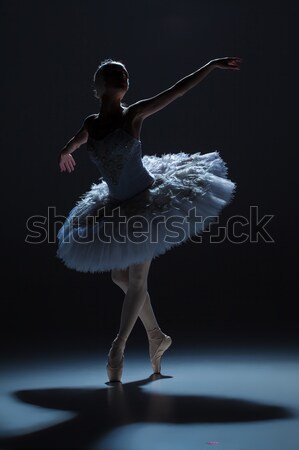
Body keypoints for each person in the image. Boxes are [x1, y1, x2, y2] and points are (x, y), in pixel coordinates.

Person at [57, 56, 242, 382]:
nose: (123, 77)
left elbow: (176, 90)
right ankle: (157, 336)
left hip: (146, 203)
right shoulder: (91, 123)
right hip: (116, 205)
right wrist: (66, 150)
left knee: (138, 281)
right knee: (120, 278)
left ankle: (118, 348)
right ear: (99, 87)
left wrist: (211, 65)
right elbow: (77, 140)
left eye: (125, 74)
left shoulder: (133, 115)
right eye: (115, 74)